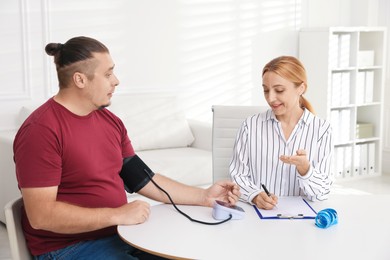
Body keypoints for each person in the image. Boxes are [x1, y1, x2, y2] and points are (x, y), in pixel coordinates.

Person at [13, 36, 240, 259]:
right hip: (69, 248)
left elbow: (141, 178)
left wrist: (203, 196)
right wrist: (116, 215)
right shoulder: (41, 130)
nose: (116, 81)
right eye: (108, 74)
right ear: (80, 80)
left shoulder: (109, 121)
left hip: (122, 233)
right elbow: (41, 216)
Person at [229, 56, 333, 210]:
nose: (270, 98)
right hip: (258, 218)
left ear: (301, 88)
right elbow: (238, 176)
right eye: (266, 90)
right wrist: (256, 196)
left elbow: (322, 193)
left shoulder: (322, 130)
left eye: (279, 90)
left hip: (302, 223)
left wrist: (306, 170)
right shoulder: (250, 126)